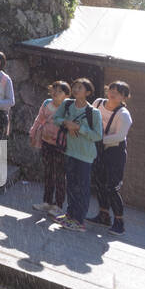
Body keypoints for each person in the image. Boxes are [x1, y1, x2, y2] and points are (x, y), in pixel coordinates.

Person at [51, 78, 103, 231]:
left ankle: (79, 221)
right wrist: (67, 123)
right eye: (74, 86)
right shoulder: (67, 105)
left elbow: (98, 135)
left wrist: (78, 128)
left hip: (85, 155)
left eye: (80, 87)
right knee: (71, 185)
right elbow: (56, 119)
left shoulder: (93, 112)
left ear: (87, 92)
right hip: (69, 150)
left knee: (82, 188)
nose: (75, 89)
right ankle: (70, 214)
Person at [90, 80, 133, 234]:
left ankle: (119, 222)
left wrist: (98, 139)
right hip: (98, 148)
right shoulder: (97, 103)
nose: (113, 93)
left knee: (112, 187)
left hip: (115, 152)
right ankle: (103, 215)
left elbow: (120, 136)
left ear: (124, 97)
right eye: (112, 89)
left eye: (119, 92)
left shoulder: (124, 114)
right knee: (99, 183)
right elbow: (89, 119)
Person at [29, 80, 71, 215]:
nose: (56, 93)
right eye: (54, 90)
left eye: (60, 91)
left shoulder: (69, 107)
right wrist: (33, 132)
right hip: (46, 141)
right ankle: (46, 202)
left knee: (59, 175)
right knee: (48, 172)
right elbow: (39, 118)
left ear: (66, 95)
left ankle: (58, 205)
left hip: (61, 144)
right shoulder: (47, 103)